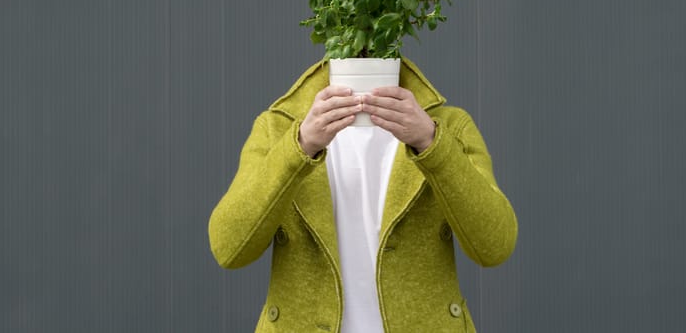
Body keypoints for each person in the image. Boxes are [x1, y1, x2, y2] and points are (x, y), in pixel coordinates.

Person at [208, 58, 518, 332]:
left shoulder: (448, 128)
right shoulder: (277, 130)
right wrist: (299, 146)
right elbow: (228, 248)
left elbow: (495, 246)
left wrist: (431, 142)